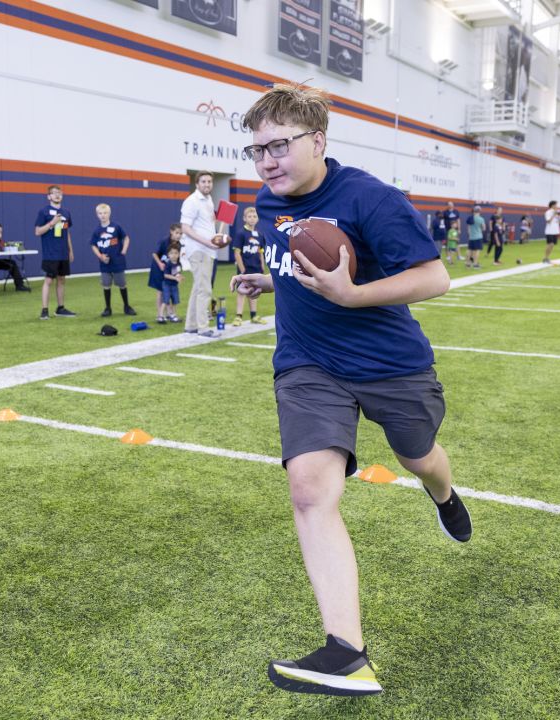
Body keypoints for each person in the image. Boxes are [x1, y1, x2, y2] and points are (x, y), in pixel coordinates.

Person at [229, 83, 469, 698]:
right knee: (309, 488)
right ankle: (347, 652)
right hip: (308, 364)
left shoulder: (371, 198)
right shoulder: (267, 200)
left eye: (279, 145)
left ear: (319, 141)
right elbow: (305, 263)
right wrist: (268, 276)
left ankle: (442, 494)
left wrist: (353, 295)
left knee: (420, 456)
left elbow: (435, 277)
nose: (267, 161)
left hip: (390, 364)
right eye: (257, 150)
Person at [180, 170, 225, 337]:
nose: (207, 184)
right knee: (204, 289)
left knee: (198, 288)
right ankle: (203, 328)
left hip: (207, 250)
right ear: (197, 184)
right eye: (203, 182)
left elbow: (207, 224)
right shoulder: (191, 201)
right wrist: (207, 242)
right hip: (199, 250)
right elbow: (185, 228)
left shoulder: (208, 200)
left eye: (209, 182)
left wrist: (217, 237)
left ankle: (191, 325)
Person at [34, 185, 76, 319]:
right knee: (48, 280)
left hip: (63, 252)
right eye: (54, 193)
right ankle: (44, 310)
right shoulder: (44, 212)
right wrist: (51, 223)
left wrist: (70, 250)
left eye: (59, 193)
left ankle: (60, 308)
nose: (57, 195)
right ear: (49, 197)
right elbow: (37, 231)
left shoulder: (66, 213)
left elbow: (66, 232)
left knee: (61, 280)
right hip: (50, 253)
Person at [89, 203, 135, 317]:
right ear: (97, 215)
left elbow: (126, 237)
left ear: (109, 213)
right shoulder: (97, 231)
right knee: (106, 285)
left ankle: (127, 306)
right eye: (100, 213)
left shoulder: (116, 227)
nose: (103, 215)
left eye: (105, 213)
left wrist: (124, 250)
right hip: (105, 263)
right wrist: (100, 256)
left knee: (122, 284)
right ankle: (108, 308)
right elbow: (93, 245)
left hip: (118, 262)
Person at [231, 206, 267, 326]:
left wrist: (262, 266)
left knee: (254, 292)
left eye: (254, 216)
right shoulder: (241, 233)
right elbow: (237, 253)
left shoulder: (260, 235)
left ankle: (254, 315)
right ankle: (238, 316)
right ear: (244, 218)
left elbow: (260, 252)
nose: (252, 219)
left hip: (256, 268)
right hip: (245, 268)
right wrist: (242, 270)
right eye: (249, 216)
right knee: (241, 292)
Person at [148, 224, 183, 324]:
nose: (179, 235)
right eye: (177, 233)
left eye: (180, 233)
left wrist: (177, 274)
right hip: (158, 269)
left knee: (170, 292)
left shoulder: (179, 244)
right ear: (171, 231)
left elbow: (176, 261)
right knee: (160, 292)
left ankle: (169, 314)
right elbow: (154, 254)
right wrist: (160, 264)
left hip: (169, 271)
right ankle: (160, 315)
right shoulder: (164, 241)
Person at [161, 246, 183, 322]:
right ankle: (161, 316)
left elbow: (177, 273)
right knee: (165, 300)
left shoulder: (179, 264)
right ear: (168, 254)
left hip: (174, 285)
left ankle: (173, 315)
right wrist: (175, 278)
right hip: (167, 285)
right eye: (171, 253)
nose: (174, 255)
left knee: (175, 301)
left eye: (176, 253)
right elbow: (165, 275)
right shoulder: (168, 264)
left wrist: (180, 277)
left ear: (179, 254)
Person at [464, 204, 486, 268]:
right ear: (480, 211)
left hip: (471, 237)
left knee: (469, 250)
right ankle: (475, 264)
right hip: (478, 237)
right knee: (477, 250)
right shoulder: (481, 219)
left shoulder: (470, 218)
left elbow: (468, 229)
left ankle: (467, 263)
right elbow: (484, 228)